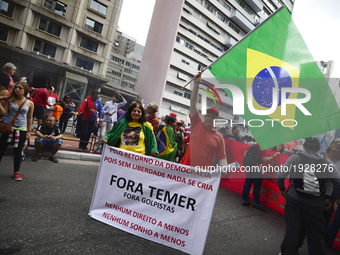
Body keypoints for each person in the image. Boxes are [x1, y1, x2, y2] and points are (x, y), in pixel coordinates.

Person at [277, 137, 340, 255]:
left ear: (304, 146)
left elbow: (280, 175)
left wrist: (282, 189)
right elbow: (338, 182)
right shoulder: (326, 162)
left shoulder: (295, 158)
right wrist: (331, 199)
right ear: (318, 148)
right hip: (315, 203)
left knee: (292, 229)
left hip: (294, 199)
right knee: (315, 234)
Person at [180, 73, 227, 169]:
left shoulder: (219, 137)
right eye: (208, 116)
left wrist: (224, 168)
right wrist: (196, 83)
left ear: (216, 120)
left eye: (213, 117)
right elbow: (193, 104)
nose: (209, 118)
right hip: (184, 169)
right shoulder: (197, 123)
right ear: (205, 117)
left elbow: (222, 157)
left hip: (202, 177)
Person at [0, 82, 34, 181]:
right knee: (1, 149)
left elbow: (30, 118)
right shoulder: (10, 100)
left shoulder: (30, 103)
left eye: (20, 88)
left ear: (25, 90)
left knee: (18, 151)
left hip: (21, 130)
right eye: (16, 88)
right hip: (8, 128)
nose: (17, 90)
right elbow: (3, 112)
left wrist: (29, 131)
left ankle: (16, 172)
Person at [324, 138, 340, 247]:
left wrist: (333, 198)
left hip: (328, 196)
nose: (337, 144)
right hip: (316, 195)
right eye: (336, 142)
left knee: (327, 223)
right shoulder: (322, 157)